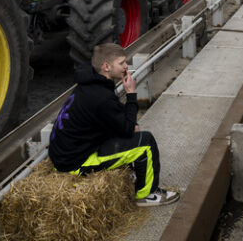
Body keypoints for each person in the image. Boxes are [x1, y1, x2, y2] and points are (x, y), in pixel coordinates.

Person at [48, 43, 179, 206]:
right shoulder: (101, 96)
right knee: (145, 142)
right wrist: (131, 94)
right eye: (122, 63)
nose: (126, 66)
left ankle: (136, 175)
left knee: (132, 132)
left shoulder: (90, 81)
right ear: (106, 67)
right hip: (75, 162)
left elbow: (116, 117)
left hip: (66, 152)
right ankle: (147, 194)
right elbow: (127, 129)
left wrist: (131, 126)